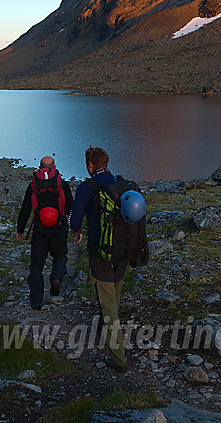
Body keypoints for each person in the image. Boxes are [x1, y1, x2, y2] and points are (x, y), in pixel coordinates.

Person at [70, 146, 128, 372]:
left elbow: (75, 221)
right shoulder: (122, 184)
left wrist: (77, 230)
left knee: (108, 306)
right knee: (114, 294)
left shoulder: (85, 188)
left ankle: (119, 359)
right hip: (123, 250)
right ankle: (107, 331)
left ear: (90, 166)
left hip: (99, 251)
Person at [16, 156, 74, 310]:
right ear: (54, 166)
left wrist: (20, 230)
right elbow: (71, 208)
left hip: (39, 231)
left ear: (39, 166)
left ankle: (35, 301)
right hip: (59, 229)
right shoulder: (63, 184)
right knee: (60, 257)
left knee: (36, 265)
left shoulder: (33, 186)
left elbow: (25, 209)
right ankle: (56, 278)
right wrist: (76, 228)